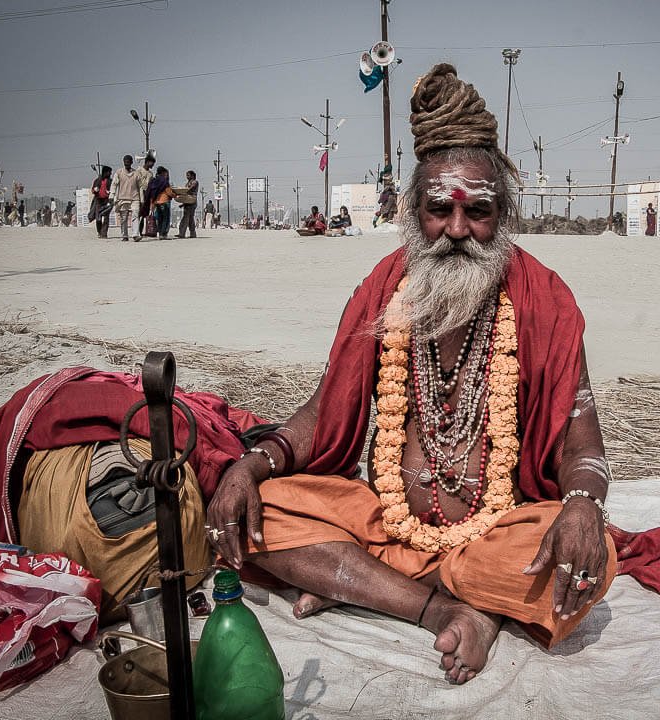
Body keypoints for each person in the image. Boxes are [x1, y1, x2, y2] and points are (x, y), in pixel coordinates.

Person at [205, 63, 615, 686]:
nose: (457, 230)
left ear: (501, 212)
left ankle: (366, 586)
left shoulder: (545, 300)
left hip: (494, 536)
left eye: (477, 211)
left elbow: (581, 440)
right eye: (438, 210)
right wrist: (249, 463)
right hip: (387, 523)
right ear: (411, 208)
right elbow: (324, 412)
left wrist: (583, 504)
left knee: (596, 555)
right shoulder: (384, 288)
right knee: (264, 506)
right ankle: (447, 608)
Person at [111, 155, 141, 241]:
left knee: (135, 215)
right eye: (125, 162)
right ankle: (124, 235)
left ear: (131, 162)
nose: (127, 164)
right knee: (123, 218)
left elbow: (140, 187)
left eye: (128, 162)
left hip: (135, 198)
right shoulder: (119, 172)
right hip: (123, 198)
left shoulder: (136, 173)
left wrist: (142, 199)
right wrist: (111, 195)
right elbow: (114, 184)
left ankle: (135, 234)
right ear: (123, 162)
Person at [145, 166, 176, 238]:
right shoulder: (164, 181)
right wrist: (175, 195)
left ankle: (160, 233)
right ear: (163, 173)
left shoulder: (154, 181)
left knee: (159, 218)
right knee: (165, 218)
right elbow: (168, 192)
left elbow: (151, 192)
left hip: (157, 202)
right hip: (165, 201)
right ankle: (163, 233)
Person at [135, 153, 156, 240]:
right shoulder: (139, 170)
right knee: (139, 213)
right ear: (147, 162)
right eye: (152, 163)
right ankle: (137, 232)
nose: (152, 165)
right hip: (140, 192)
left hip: (147, 193)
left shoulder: (151, 174)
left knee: (144, 214)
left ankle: (141, 231)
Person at [91, 166, 113, 238]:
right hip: (98, 201)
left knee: (106, 218)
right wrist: (95, 190)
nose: (110, 174)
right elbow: (93, 190)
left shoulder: (110, 181)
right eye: (109, 172)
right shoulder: (97, 181)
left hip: (107, 201)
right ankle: (99, 232)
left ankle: (104, 233)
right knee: (98, 218)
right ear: (105, 172)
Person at [178, 170, 199, 239]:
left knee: (186, 218)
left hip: (192, 202)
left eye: (188, 175)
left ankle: (182, 233)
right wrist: (183, 204)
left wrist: (182, 191)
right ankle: (192, 234)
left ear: (192, 176)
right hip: (188, 202)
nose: (187, 177)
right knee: (190, 219)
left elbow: (190, 189)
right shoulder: (187, 183)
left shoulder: (194, 182)